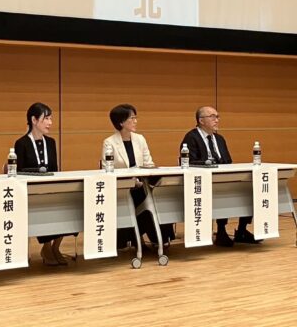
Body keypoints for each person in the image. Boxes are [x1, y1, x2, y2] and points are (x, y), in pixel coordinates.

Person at [181, 106, 261, 247]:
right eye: (212, 116)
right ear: (201, 120)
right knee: (222, 193)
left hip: (223, 178)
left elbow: (228, 161)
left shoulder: (219, 139)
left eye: (217, 117)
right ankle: (221, 231)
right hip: (204, 182)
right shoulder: (191, 138)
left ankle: (242, 230)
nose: (217, 120)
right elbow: (189, 162)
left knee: (248, 189)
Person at [102, 104, 175, 249]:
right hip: (123, 188)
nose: (135, 121)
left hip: (143, 184)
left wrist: (144, 179)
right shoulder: (109, 142)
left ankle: (158, 238)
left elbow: (149, 163)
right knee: (142, 198)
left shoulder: (140, 139)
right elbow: (108, 169)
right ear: (121, 122)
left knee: (157, 196)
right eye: (132, 118)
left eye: (136, 118)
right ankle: (139, 238)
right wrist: (132, 181)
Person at [14, 102, 68, 266]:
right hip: (30, 193)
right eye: (46, 119)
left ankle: (55, 247)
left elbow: (55, 170)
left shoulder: (51, 142)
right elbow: (18, 172)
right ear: (34, 120)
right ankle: (47, 247)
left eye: (51, 119)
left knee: (67, 206)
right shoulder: (21, 143)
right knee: (46, 207)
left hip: (51, 190)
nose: (50, 123)